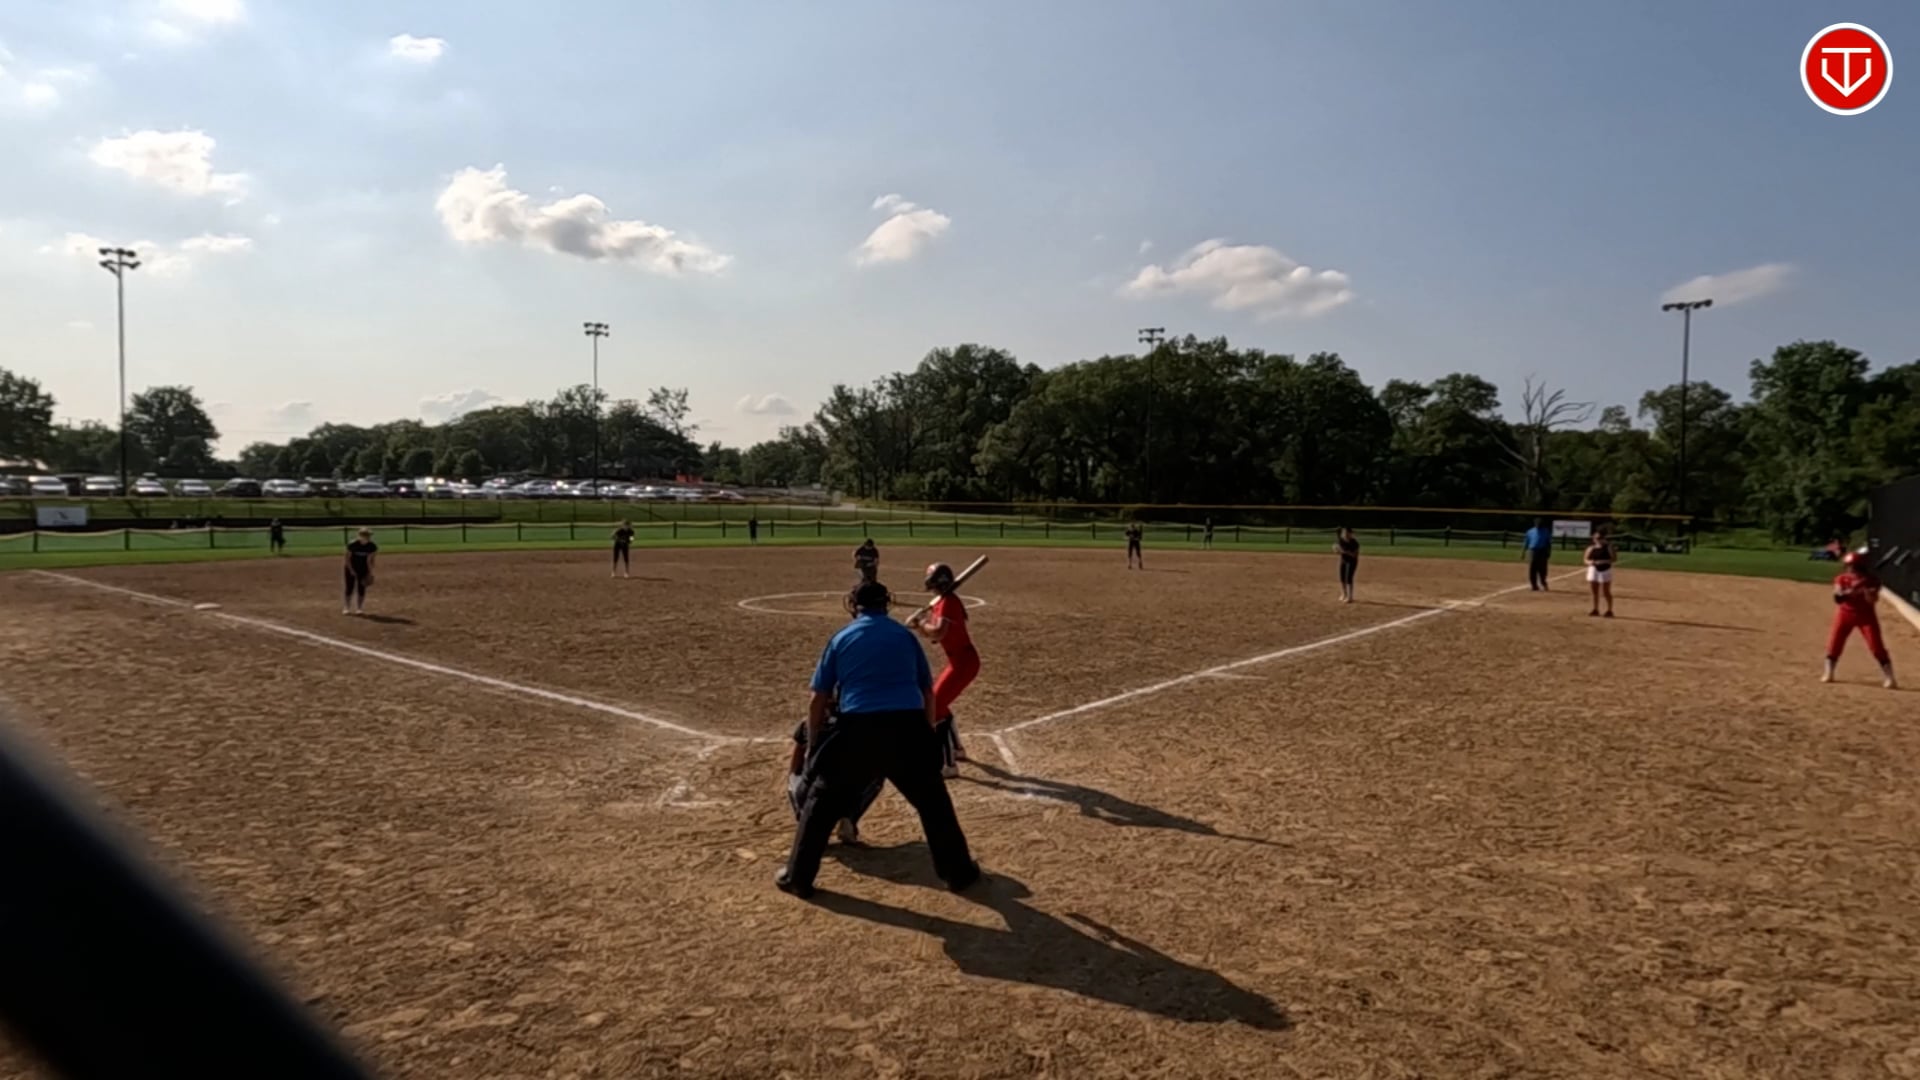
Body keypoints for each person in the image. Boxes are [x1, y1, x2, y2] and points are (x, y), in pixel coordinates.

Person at [778, 580, 979, 900]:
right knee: (934, 804)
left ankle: (798, 878)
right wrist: (926, 735)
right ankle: (959, 874)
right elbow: (927, 693)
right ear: (886, 604)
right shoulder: (904, 637)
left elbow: (818, 699)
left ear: (854, 606)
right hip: (907, 727)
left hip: (858, 729)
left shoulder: (841, 638)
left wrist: (815, 743)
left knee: (821, 802)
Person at [909, 563, 979, 779]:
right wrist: (919, 625)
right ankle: (957, 750)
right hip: (959, 661)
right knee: (938, 702)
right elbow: (933, 635)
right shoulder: (943, 603)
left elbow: (938, 632)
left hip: (964, 663)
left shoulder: (948, 602)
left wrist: (920, 623)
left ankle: (948, 765)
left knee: (936, 705)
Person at [786, 702, 884, 844]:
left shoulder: (807, 723)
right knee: (877, 776)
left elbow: (795, 762)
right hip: (847, 789)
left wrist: (795, 780)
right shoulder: (856, 724)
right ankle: (849, 817)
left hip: (814, 790)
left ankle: (805, 819)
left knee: (794, 779)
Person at [1824, 550, 1897, 688]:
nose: (1850, 569)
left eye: (1853, 566)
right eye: (1849, 566)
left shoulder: (1872, 581)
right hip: (1845, 614)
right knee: (1835, 642)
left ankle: (1890, 677)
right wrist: (1848, 592)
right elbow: (1837, 598)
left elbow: (1872, 601)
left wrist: (1867, 593)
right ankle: (1829, 672)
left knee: (1876, 646)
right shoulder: (1841, 579)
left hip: (1866, 616)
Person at [342, 528, 376, 616]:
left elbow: (370, 560)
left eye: (368, 535)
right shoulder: (352, 544)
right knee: (349, 587)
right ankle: (347, 608)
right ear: (360, 536)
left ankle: (359, 608)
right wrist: (351, 570)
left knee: (361, 588)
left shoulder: (372, 546)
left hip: (363, 569)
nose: (368, 537)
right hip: (351, 567)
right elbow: (347, 559)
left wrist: (370, 572)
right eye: (365, 535)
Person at [1584, 529, 1616, 617]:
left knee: (1606, 591)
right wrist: (1590, 562)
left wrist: (1603, 561)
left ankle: (1609, 610)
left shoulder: (1608, 547)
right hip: (1593, 570)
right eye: (1596, 538)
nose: (1598, 540)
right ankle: (1595, 609)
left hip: (1605, 570)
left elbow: (1613, 559)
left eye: (1600, 538)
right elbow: (1585, 559)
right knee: (1594, 591)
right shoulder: (1591, 548)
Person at [1522, 517, 1552, 590]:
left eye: (1539, 523)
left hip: (1542, 551)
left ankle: (1543, 582)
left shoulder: (1546, 531)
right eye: (1537, 523)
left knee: (1542, 568)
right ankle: (1534, 585)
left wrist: (1549, 552)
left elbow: (1548, 543)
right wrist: (1523, 552)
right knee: (1533, 568)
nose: (1538, 524)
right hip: (1533, 551)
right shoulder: (1530, 531)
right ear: (1535, 524)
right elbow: (1526, 543)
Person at [1335, 526, 1360, 603]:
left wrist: (1344, 552)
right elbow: (1338, 549)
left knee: (1349, 578)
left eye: (1346, 532)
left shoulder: (1354, 543)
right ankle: (1344, 594)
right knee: (1342, 578)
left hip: (1352, 562)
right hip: (1343, 561)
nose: (1344, 534)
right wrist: (1336, 550)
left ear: (1350, 533)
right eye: (1343, 533)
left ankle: (1350, 597)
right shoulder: (1341, 541)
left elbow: (1354, 555)